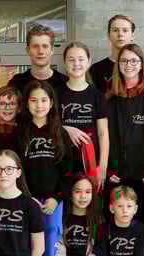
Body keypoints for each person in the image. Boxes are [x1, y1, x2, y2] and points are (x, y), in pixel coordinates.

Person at [16, 80, 73, 256]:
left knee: (49, 251)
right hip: (26, 202)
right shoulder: (20, 133)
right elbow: (16, 170)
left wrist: (56, 198)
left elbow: (68, 172)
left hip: (52, 204)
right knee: (27, 249)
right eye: (33, 100)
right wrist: (28, 197)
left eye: (43, 100)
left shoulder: (61, 134)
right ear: (26, 104)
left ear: (51, 103)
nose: (39, 105)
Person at [105, 43, 144, 221]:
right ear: (118, 65)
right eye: (124, 61)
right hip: (115, 175)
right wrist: (107, 170)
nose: (129, 65)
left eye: (134, 61)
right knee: (114, 223)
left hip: (143, 174)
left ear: (141, 65)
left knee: (141, 223)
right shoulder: (109, 97)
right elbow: (103, 135)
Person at [56, 42, 110, 189]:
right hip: (63, 158)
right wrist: (66, 128)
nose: (76, 64)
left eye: (81, 59)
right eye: (71, 59)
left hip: (90, 159)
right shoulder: (56, 93)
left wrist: (102, 166)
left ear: (88, 62)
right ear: (64, 62)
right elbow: (48, 123)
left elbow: (103, 133)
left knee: (88, 198)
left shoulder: (97, 95)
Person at [90, 14, 144, 95]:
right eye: (115, 30)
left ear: (132, 36)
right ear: (109, 35)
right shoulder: (96, 69)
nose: (120, 34)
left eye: (125, 30)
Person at [8, 24, 68, 93]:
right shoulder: (16, 83)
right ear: (28, 50)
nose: (40, 51)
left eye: (45, 46)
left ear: (52, 50)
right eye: (35, 46)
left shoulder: (65, 83)